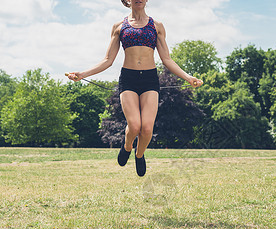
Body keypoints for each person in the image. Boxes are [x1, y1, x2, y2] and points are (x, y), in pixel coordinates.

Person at [67, 0, 203, 177]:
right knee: (135, 124)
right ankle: (127, 146)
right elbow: (108, 60)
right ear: (127, 0)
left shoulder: (157, 26)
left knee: (147, 128)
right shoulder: (119, 26)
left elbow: (167, 59)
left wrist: (188, 77)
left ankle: (139, 155)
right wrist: (83, 74)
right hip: (129, 79)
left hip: (149, 79)